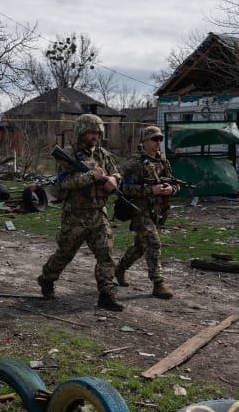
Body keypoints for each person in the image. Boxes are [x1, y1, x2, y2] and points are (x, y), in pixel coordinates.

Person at [37, 114, 125, 311]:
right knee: (64, 254)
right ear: (81, 132)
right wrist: (91, 176)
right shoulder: (68, 154)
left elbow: (117, 172)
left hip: (97, 213)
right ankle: (46, 279)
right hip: (75, 215)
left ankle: (106, 293)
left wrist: (113, 179)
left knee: (106, 254)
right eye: (91, 132)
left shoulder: (103, 154)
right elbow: (64, 183)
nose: (95, 135)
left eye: (97, 132)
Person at [115, 125, 178, 299]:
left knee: (140, 247)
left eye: (160, 139)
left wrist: (170, 189)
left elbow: (175, 183)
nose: (158, 143)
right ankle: (158, 284)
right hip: (139, 211)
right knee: (153, 243)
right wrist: (151, 190)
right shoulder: (134, 163)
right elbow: (124, 189)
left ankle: (120, 269)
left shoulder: (162, 161)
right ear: (144, 141)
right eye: (154, 139)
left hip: (157, 211)